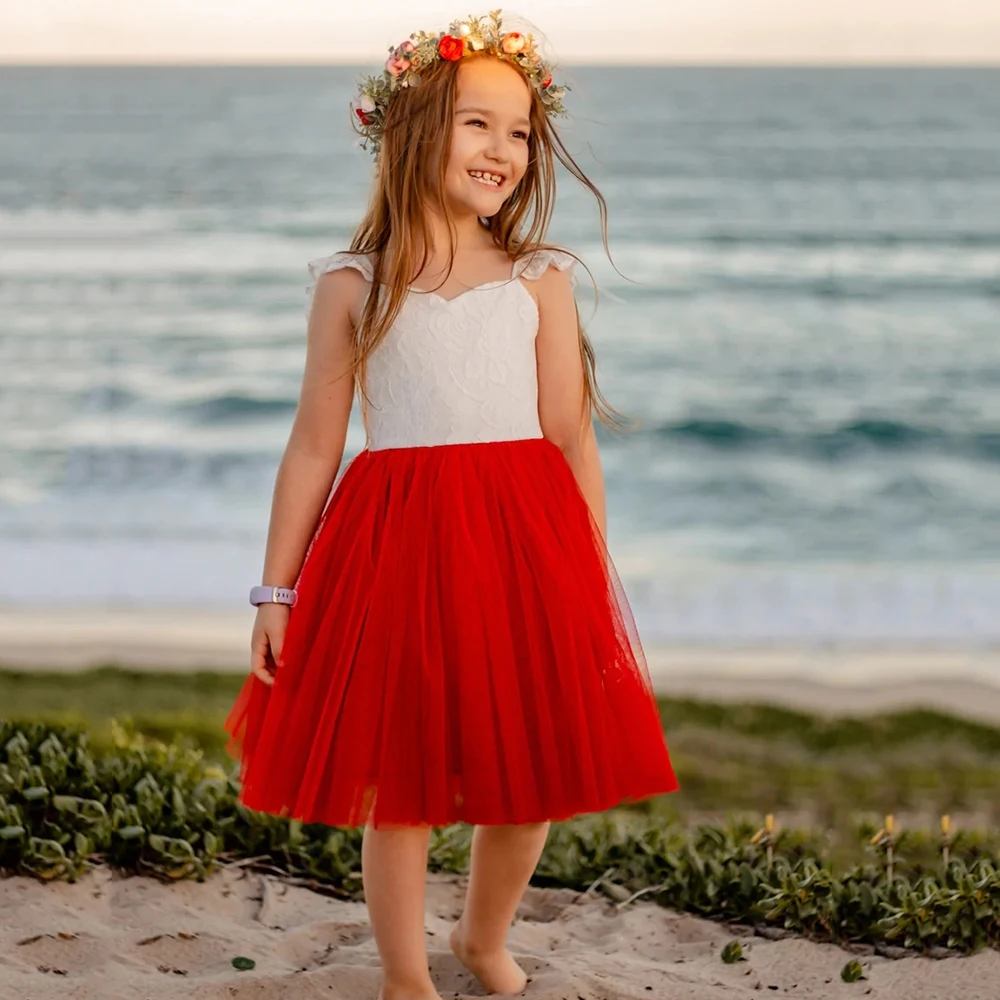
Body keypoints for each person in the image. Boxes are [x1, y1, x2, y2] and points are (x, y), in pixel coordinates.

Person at [223, 11, 679, 1000]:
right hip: (394, 548)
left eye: (518, 132)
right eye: (479, 124)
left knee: (530, 777)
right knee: (404, 783)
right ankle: (402, 977)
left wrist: (587, 572)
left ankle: (482, 939)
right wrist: (274, 589)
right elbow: (312, 447)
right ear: (410, 129)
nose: (502, 151)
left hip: (523, 541)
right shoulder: (355, 285)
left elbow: (568, 436)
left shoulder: (539, 278)